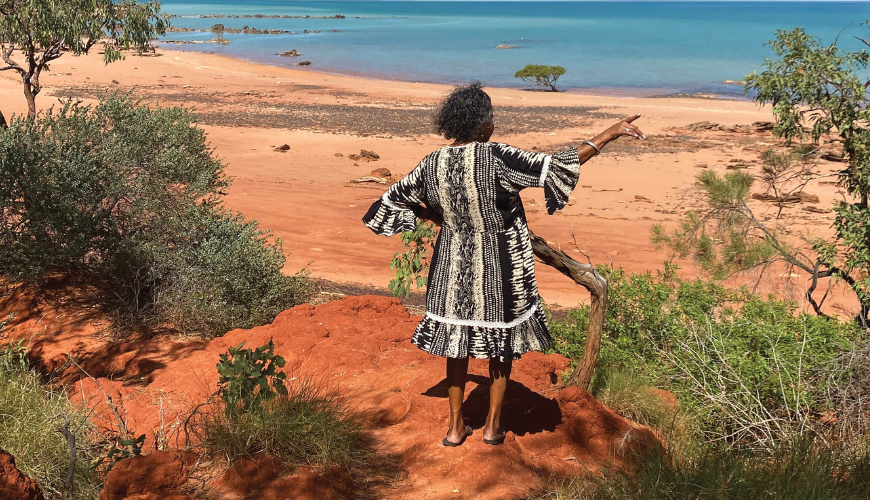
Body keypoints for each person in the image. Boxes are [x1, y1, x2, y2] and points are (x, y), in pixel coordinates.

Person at [362, 82, 645, 446]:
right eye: (491, 115)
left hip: (451, 271)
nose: (493, 122)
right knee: (501, 346)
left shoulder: (431, 164)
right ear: (481, 122)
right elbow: (555, 165)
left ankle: (454, 428)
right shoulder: (497, 157)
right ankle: (493, 428)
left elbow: (390, 201)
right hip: (501, 271)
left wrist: (439, 216)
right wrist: (608, 134)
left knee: (456, 346)